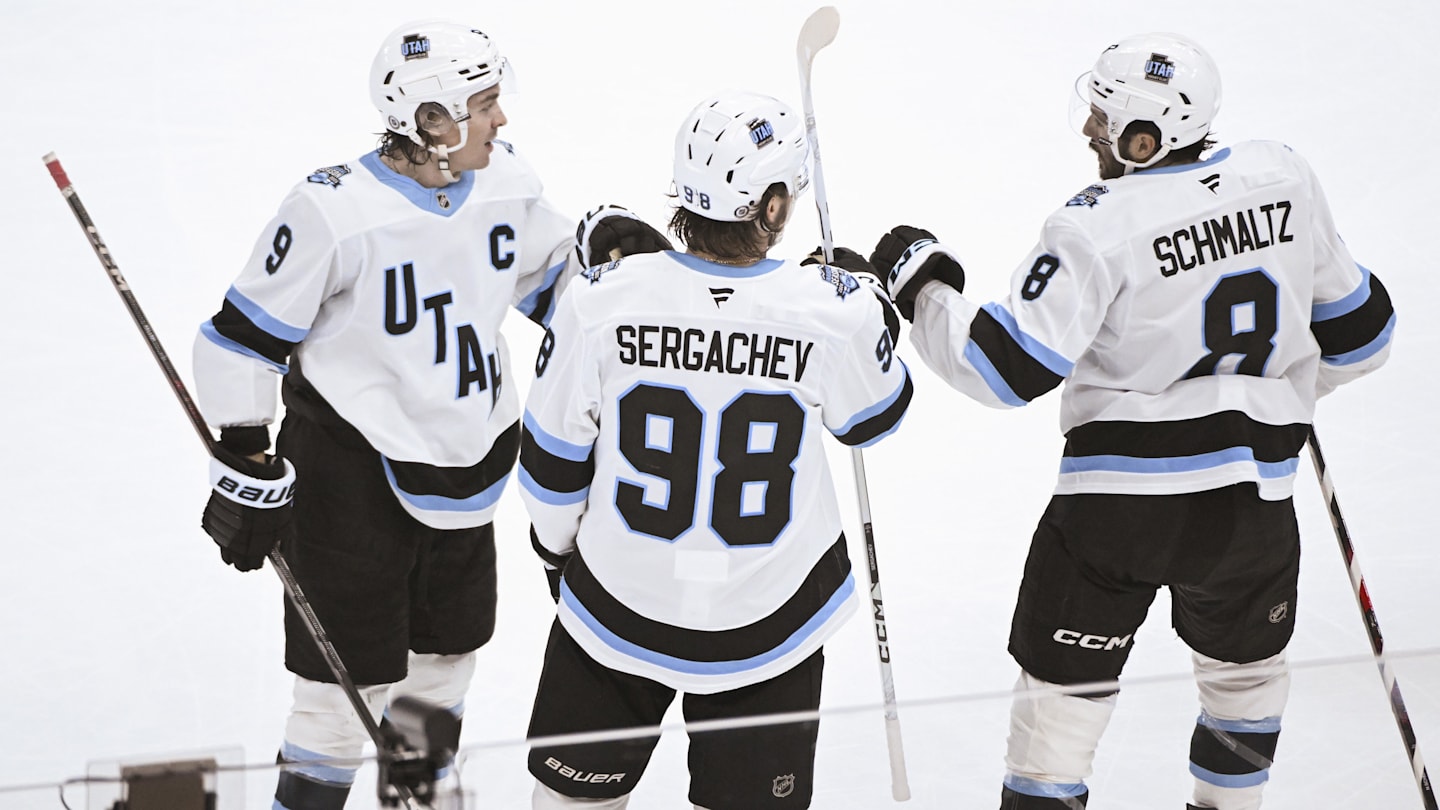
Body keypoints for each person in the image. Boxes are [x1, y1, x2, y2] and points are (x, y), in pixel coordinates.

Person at [868, 32, 1395, 810]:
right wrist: (1278, 395)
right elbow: (1364, 335)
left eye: (1104, 117)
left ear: (1144, 138)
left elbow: (1006, 370)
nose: (1089, 129)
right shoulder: (1281, 176)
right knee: (1244, 685)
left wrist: (923, 287)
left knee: (1060, 717)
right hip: (1252, 513)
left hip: (1115, 519)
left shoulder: (1096, 223)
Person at [191, 19, 670, 810]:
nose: (501, 120)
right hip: (350, 474)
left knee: (444, 662)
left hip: (469, 462)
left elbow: (552, 285)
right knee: (338, 699)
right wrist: (245, 457)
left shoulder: (506, 183)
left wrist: (607, 264)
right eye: (482, 105)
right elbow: (245, 338)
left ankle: (417, 793)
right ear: (430, 121)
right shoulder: (331, 211)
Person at [517, 90, 913, 809]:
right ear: (769, 208)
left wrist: (556, 555)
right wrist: (871, 299)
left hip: (614, 609)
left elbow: (549, 466)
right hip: (770, 624)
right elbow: (874, 419)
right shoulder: (829, 309)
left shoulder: (599, 298)